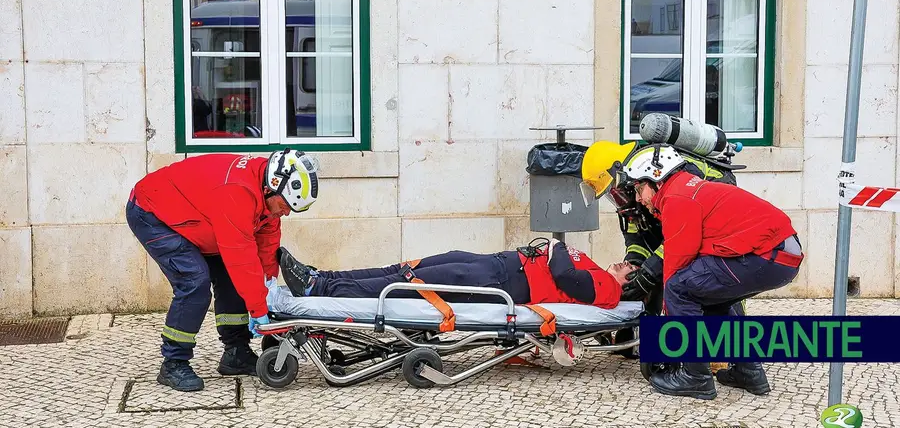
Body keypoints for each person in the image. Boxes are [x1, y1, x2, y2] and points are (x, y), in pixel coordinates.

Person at [617, 144, 803, 400]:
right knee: (711, 299)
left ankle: (695, 377)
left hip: (766, 253)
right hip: (783, 255)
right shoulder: (687, 187)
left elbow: (676, 267)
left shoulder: (677, 197)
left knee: (678, 288)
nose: (638, 199)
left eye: (639, 189)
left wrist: (670, 343)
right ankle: (749, 372)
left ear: (657, 177)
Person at [125, 148, 320, 392]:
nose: (287, 212)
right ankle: (173, 363)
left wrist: (268, 289)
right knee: (194, 281)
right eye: (285, 205)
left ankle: (236, 353)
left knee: (231, 277)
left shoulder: (268, 192)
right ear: (271, 188)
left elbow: (267, 247)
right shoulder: (237, 192)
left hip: (198, 215)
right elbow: (241, 257)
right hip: (153, 213)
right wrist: (257, 308)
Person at [580, 139, 746, 371]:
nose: (617, 200)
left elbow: (681, 235)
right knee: (650, 273)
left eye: (614, 191)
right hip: (676, 223)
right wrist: (637, 267)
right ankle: (645, 335)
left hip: (714, 221)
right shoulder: (636, 198)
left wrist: (649, 271)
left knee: (711, 279)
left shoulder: (667, 169)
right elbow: (638, 241)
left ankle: (734, 351)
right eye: (611, 196)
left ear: (622, 172)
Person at [277, 239, 637, 309]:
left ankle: (316, 290)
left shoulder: (608, 289)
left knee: (407, 285)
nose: (625, 264)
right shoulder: (595, 265)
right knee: (405, 269)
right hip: (494, 263)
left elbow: (563, 276)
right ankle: (321, 277)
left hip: (497, 282)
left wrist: (556, 245)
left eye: (630, 270)